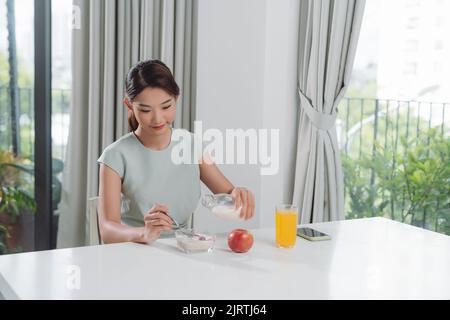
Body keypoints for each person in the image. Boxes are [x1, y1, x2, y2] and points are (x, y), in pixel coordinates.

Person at [97, 59, 255, 245]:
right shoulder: (115, 155)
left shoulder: (191, 145)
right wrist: (143, 234)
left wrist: (239, 194)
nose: (157, 118)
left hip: (182, 249)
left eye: (166, 107)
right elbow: (107, 229)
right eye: (145, 110)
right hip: (134, 250)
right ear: (129, 105)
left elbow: (227, 195)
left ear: (177, 99)